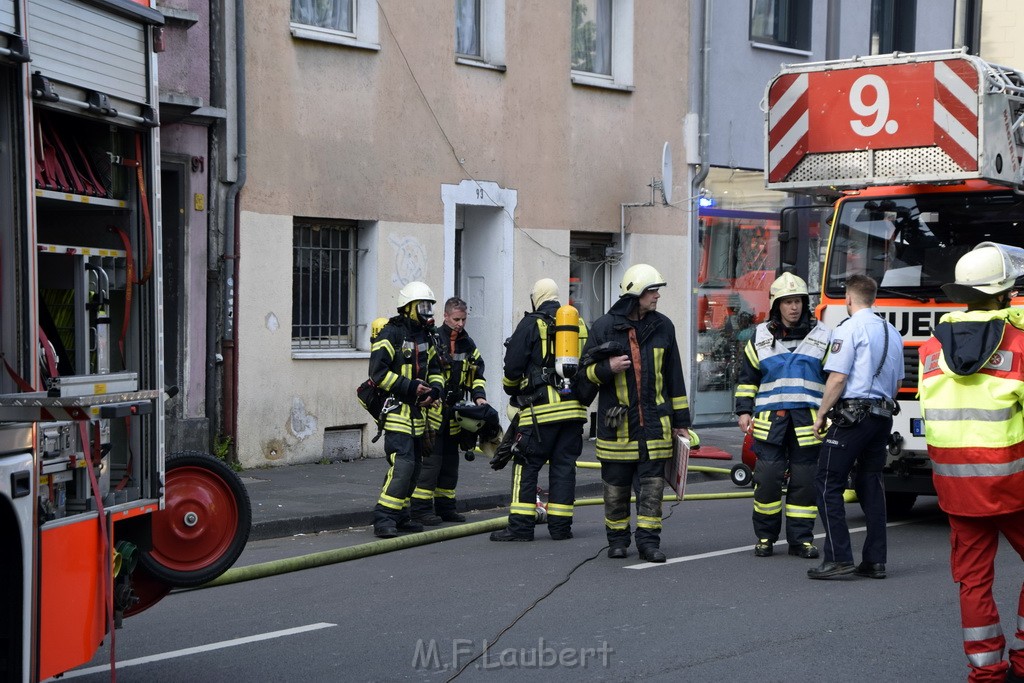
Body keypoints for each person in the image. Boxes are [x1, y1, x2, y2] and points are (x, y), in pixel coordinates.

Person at [919, 242, 1024, 683]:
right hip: (1014, 486)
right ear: (1005, 293)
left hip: (956, 490)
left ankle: (987, 670)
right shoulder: (1019, 345)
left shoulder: (930, 349)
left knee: (974, 582)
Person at [576, 264, 692, 563]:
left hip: (655, 429)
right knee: (615, 488)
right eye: (652, 291)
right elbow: (582, 378)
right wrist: (607, 368)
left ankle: (649, 543)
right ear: (636, 294)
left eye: (657, 291)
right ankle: (616, 540)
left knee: (652, 489)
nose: (657, 297)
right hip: (618, 429)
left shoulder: (663, 326)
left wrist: (681, 423)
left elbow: (674, 377)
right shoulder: (603, 327)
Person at [808, 274, 903, 579]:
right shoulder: (892, 332)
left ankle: (838, 557)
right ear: (872, 298)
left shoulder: (849, 329)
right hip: (882, 418)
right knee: (870, 483)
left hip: (854, 417)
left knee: (826, 481)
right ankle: (875, 561)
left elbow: (837, 378)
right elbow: (899, 382)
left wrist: (822, 414)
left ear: (849, 299)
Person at [734, 272, 831, 559]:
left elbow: (834, 380)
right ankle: (765, 537)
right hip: (770, 423)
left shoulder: (823, 335)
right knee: (767, 480)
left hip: (808, 423)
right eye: (787, 302)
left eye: (798, 301)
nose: (794, 307)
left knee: (804, 484)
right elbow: (747, 378)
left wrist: (831, 413)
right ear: (777, 305)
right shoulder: (760, 336)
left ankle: (800, 541)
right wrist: (743, 410)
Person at [490, 278, 588, 542]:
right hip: (573, 411)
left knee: (525, 463)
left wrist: (512, 388)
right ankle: (560, 528)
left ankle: (520, 528)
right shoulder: (577, 324)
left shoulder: (531, 323)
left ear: (536, 298)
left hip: (541, 413)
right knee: (564, 467)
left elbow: (512, 368)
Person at [368, 281, 445, 539]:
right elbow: (378, 374)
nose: (427, 311)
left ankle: (401, 515)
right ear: (408, 308)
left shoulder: (426, 337)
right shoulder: (391, 334)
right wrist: (411, 388)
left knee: (413, 469)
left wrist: (434, 391)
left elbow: (435, 370)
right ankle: (384, 517)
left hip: (419, 417)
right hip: (398, 414)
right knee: (402, 466)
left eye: (429, 306)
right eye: (422, 306)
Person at [411, 297, 489, 525]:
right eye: (456, 319)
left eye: (463, 319)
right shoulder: (433, 339)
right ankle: (421, 510)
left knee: (449, 463)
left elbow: (477, 375)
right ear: (445, 316)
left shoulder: (468, 344)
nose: (460, 324)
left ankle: (446, 508)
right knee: (430, 463)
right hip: (433, 411)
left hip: (454, 413)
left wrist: (479, 397)